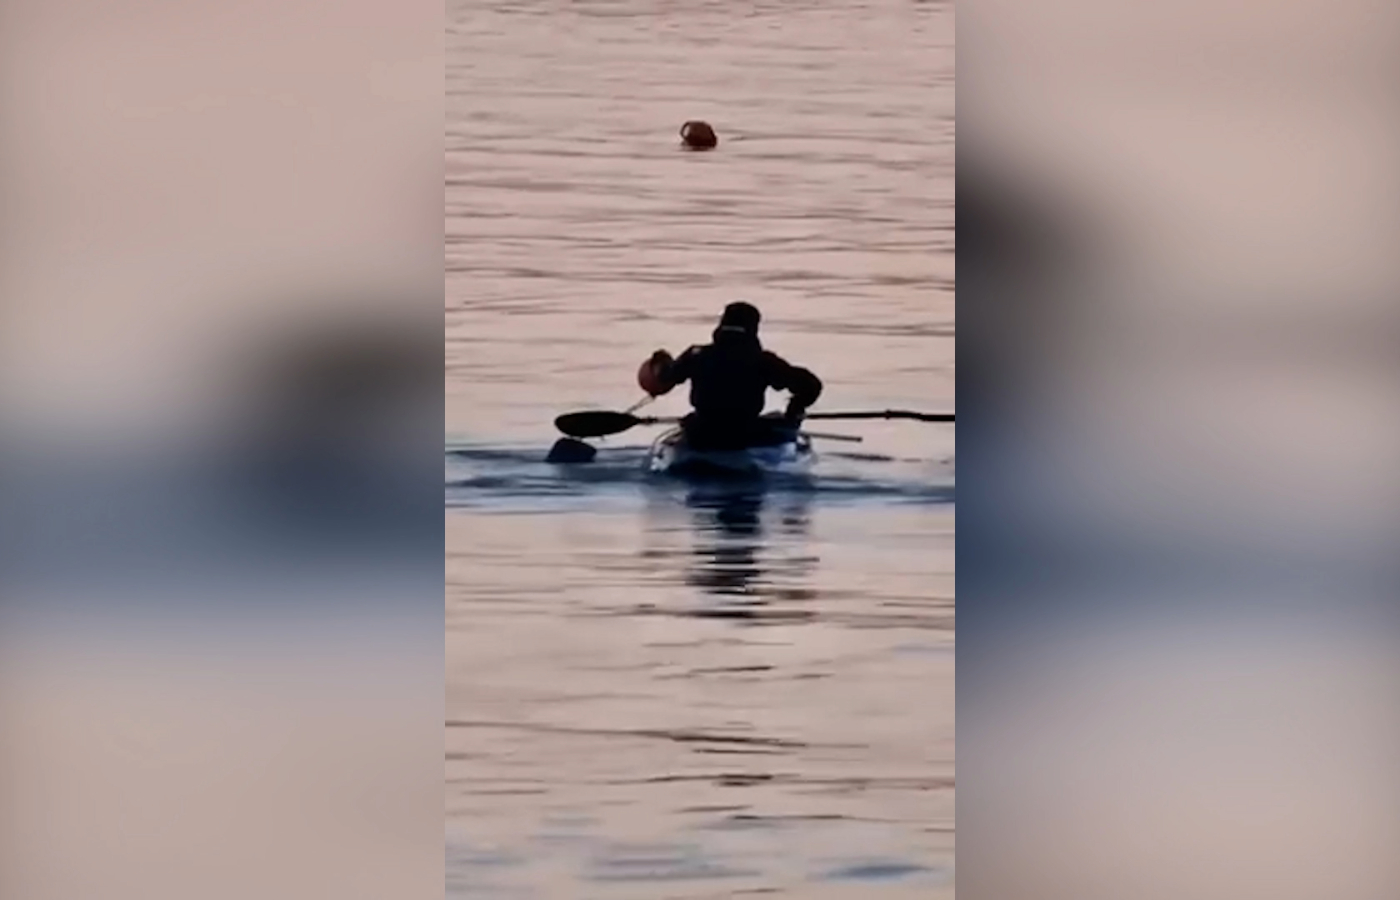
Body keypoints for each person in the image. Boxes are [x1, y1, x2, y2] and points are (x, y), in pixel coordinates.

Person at [637, 302, 822, 450]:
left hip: (701, 432)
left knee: (694, 423)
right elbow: (811, 385)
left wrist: (661, 361)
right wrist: (794, 410)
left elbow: (664, 378)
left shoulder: (697, 354)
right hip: (744, 434)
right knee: (777, 419)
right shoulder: (764, 361)